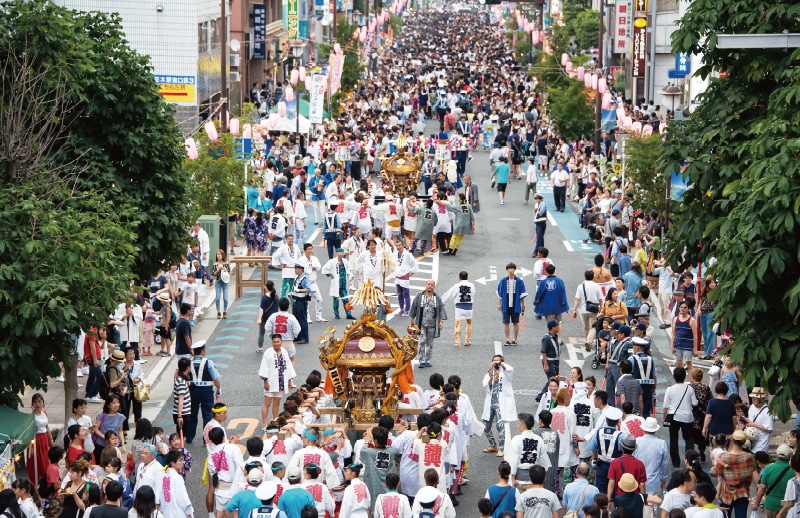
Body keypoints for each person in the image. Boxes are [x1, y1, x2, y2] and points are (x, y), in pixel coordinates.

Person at [662, 367, 698, 468]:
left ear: (674, 377)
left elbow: (665, 405)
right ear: (684, 376)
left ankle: (676, 462)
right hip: (687, 417)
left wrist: (664, 417)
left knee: (673, 439)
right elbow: (694, 403)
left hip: (674, 417)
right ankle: (690, 461)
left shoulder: (670, 389)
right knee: (689, 439)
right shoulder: (689, 388)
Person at [482, 355, 517, 458]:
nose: (496, 363)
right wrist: (491, 378)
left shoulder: (506, 374)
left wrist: (500, 365)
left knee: (500, 425)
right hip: (490, 403)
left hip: (501, 404)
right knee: (486, 426)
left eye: (498, 361)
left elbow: (510, 370)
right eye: (494, 361)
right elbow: (486, 388)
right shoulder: (488, 374)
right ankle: (493, 445)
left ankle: (501, 448)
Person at [185, 340, 220, 444]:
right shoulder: (208, 362)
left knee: (192, 414)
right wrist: (219, 389)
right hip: (206, 391)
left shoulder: (189, 362)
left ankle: (190, 437)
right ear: (202, 351)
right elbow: (215, 378)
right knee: (207, 414)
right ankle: (206, 438)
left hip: (193, 390)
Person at [259, 335, 297, 426]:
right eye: (274, 342)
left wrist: (289, 380)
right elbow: (264, 367)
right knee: (267, 403)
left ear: (281, 342)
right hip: (270, 382)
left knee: (276, 404)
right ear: (272, 342)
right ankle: (264, 422)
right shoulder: (268, 352)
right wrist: (265, 381)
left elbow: (288, 366)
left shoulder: (284, 351)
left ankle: (275, 421)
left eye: (278, 342)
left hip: (281, 382)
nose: (276, 344)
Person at [506, 413, 551, 488]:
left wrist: (513, 479)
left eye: (518, 423)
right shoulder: (538, 439)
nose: (517, 425)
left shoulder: (516, 440)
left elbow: (513, 461)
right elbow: (544, 461)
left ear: (523, 425)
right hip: (534, 479)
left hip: (519, 480)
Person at [409, 280, 447, 368]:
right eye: (428, 284)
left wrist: (441, 322)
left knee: (430, 343)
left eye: (432, 285)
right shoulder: (419, 296)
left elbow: (440, 309)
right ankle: (421, 360)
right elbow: (413, 308)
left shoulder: (437, 298)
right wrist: (411, 320)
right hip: (421, 323)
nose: (430, 286)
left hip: (432, 324)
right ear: (425, 285)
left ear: (434, 287)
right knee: (422, 341)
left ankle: (427, 360)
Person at [716, 430, 754, 518]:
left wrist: (719, 458)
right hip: (742, 492)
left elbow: (715, 471)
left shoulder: (724, 457)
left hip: (726, 494)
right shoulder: (749, 456)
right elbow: (751, 471)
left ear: (732, 440)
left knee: (725, 515)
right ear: (744, 442)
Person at [633, 417, 670, 496]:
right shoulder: (661, 444)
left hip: (637, 481)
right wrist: (664, 478)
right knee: (652, 506)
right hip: (654, 482)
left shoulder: (637, 441)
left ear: (644, 429)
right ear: (655, 430)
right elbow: (665, 464)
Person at [754, 444, 794, 518]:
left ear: (776, 455)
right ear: (790, 456)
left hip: (771, 505)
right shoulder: (794, 470)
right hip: (787, 506)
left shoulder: (768, 469)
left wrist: (756, 503)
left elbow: (762, 488)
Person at [441, 271, 476, 347]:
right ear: (467, 277)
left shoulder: (457, 286)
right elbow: (473, 294)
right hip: (469, 307)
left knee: (458, 324)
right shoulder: (472, 285)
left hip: (459, 307)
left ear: (459, 277)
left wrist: (443, 302)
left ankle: (457, 342)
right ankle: (467, 340)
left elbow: (449, 294)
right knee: (469, 323)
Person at [263, 298, 302, 365]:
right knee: (291, 360)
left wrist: (272, 336)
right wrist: (294, 335)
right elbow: (297, 329)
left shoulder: (273, 316)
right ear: (288, 306)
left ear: (279, 306)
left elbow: (267, 327)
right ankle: (290, 375)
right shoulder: (291, 317)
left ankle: (278, 375)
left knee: (277, 362)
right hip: (288, 342)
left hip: (277, 343)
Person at [497, 262, 528, 347]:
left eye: (512, 268)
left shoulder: (519, 281)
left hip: (516, 305)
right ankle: (507, 339)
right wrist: (499, 304)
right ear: (507, 270)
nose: (511, 270)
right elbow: (500, 294)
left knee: (515, 322)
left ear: (515, 270)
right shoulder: (503, 281)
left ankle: (515, 339)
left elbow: (522, 294)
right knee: (506, 322)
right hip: (505, 305)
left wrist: (523, 305)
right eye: (509, 269)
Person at [321, 248, 355, 320]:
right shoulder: (332, 262)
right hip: (336, 283)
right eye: (340, 253)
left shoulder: (345, 261)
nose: (341, 254)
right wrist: (330, 274)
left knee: (346, 299)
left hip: (343, 283)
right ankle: (337, 314)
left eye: (342, 253)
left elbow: (349, 268)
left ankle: (348, 314)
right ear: (337, 253)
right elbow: (324, 269)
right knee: (336, 299)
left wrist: (348, 274)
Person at [574, 270, 604, 351]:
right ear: (593, 277)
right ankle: (589, 341)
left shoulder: (580, 286)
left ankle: (588, 342)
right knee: (593, 327)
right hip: (594, 309)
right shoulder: (596, 286)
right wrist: (601, 309)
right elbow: (600, 299)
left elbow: (577, 299)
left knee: (586, 327)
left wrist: (575, 309)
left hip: (583, 310)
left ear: (585, 277)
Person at [298, 244, 326, 323]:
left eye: (311, 249)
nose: (310, 251)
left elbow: (319, 266)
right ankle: (307, 317)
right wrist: (311, 268)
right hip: (305, 283)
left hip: (314, 282)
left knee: (319, 299)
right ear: (305, 250)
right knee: (307, 301)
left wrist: (314, 267)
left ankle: (319, 316)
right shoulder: (301, 260)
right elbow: (303, 269)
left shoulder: (314, 258)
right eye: (308, 249)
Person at [535, 320, 561, 401]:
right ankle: (540, 396)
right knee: (553, 379)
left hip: (555, 361)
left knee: (553, 379)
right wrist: (546, 365)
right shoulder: (546, 338)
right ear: (553, 328)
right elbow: (543, 352)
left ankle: (542, 395)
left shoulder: (555, 336)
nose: (559, 327)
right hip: (549, 361)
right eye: (557, 325)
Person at [393, 239, 419, 316]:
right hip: (398, 277)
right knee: (399, 294)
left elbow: (415, 263)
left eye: (399, 245)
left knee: (406, 295)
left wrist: (412, 271)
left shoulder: (408, 254)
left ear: (403, 245)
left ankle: (407, 310)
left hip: (404, 277)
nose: (398, 247)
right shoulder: (395, 254)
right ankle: (401, 308)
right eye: (397, 246)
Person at [671, 299, 697, 371]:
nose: (683, 309)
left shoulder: (692, 320)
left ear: (688, 309)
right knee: (678, 364)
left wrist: (695, 349)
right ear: (679, 308)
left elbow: (695, 335)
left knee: (689, 364)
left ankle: (693, 381)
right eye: (681, 307)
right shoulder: (675, 319)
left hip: (688, 345)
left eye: (685, 307)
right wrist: (672, 345)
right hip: (678, 344)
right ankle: (680, 381)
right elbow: (673, 333)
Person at [746, 387, 774, 453]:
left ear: (763, 399)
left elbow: (769, 429)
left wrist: (753, 424)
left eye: (758, 400)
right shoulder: (752, 407)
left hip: (762, 443)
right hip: (752, 440)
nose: (755, 403)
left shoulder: (767, 412)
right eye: (753, 399)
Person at [289, 264, 311, 344]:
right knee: (296, 320)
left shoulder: (305, 279)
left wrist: (298, 290)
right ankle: (297, 336)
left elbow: (308, 289)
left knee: (302, 319)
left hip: (301, 301)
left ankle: (304, 337)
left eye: (296, 269)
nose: (295, 270)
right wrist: (291, 293)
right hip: (295, 300)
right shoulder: (297, 278)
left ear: (301, 269)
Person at [256, 281, 279, 353]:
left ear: (266, 287)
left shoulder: (264, 298)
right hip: (274, 319)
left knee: (261, 333)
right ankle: (277, 346)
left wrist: (259, 318)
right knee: (273, 333)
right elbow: (278, 308)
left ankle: (260, 348)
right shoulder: (276, 297)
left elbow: (261, 309)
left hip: (265, 318)